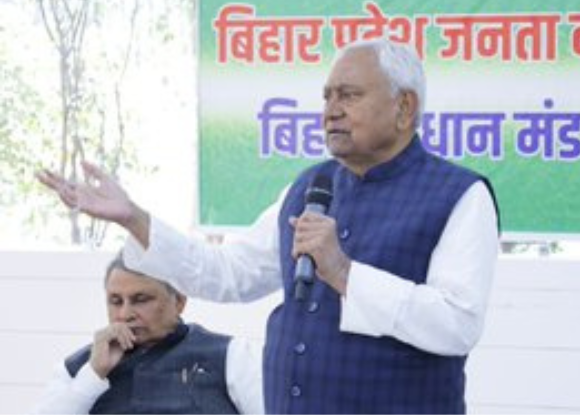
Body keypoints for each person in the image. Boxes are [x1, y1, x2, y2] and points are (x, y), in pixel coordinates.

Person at [37, 37, 500, 414]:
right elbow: (228, 273)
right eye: (327, 96)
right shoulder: (310, 187)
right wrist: (134, 218)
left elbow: (457, 324)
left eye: (349, 95)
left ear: (404, 107)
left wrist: (345, 274)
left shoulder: (459, 195)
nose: (331, 110)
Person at [33, 253, 264, 414]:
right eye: (116, 301)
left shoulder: (231, 356)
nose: (125, 314)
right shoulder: (78, 368)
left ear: (179, 301)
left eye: (140, 300)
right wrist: (93, 374)